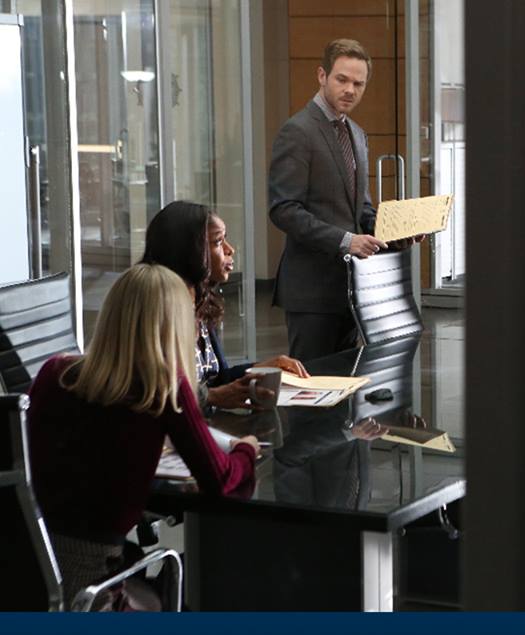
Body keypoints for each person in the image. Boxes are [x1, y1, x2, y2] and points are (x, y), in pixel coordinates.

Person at [26, 264, 259, 605]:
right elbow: (220, 481)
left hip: (30, 573)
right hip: (98, 593)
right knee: (203, 580)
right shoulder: (162, 387)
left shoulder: (53, 372)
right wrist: (246, 450)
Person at [269, 38, 400, 360]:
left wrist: (396, 233)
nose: (350, 90)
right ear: (322, 75)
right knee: (314, 382)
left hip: (352, 289)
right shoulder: (298, 131)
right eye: (342, 79)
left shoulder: (356, 133)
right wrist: (346, 241)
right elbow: (284, 209)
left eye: (358, 83)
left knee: (346, 382)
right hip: (312, 292)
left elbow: (361, 209)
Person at [142, 200, 308, 410]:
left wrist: (260, 368)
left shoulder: (199, 304)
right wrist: (211, 397)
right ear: (188, 251)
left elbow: (216, 380)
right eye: (218, 242)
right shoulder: (158, 310)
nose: (230, 250)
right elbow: (155, 391)